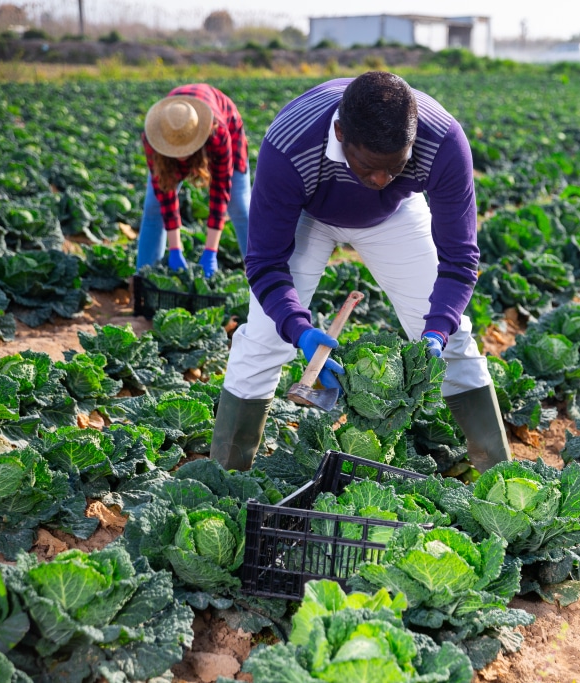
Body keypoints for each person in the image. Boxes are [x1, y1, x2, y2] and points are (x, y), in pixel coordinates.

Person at [209, 71, 512, 473]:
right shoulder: (289, 144)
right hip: (308, 213)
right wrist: (299, 329)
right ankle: (226, 477)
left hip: (393, 215)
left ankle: (496, 474)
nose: (381, 179)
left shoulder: (442, 141)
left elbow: (459, 259)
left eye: (396, 167)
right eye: (369, 166)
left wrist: (437, 329)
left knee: (454, 340)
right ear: (339, 132)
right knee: (264, 340)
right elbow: (264, 262)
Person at [137, 84, 250, 278]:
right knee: (153, 207)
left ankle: (264, 277)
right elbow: (165, 194)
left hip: (226, 125)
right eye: (176, 148)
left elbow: (220, 190)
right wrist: (175, 248)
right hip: (171, 142)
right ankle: (144, 279)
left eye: (186, 147)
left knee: (239, 206)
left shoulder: (216, 133)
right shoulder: (153, 138)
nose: (182, 156)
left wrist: (210, 252)